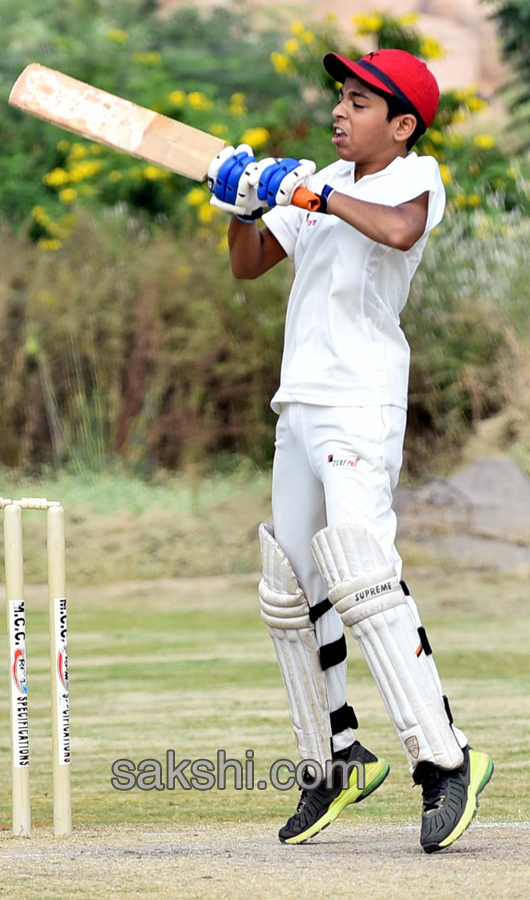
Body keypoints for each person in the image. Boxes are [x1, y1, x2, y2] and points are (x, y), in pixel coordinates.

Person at [207, 49, 493, 853]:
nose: (342, 111)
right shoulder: (321, 179)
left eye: (361, 103)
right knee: (289, 588)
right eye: (341, 97)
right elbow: (248, 266)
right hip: (298, 402)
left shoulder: (414, 178)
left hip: (360, 401)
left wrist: (313, 190)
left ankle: (444, 759)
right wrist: (243, 204)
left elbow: (398, 233)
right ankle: (332, 760)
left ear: (401, 126)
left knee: (363, 572)